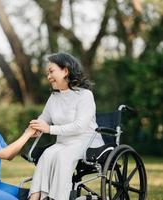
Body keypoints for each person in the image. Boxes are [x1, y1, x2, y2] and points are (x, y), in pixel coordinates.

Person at [28, 52, 105, 200]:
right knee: (47, 155)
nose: (48, 76)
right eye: (48, 73)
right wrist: (37, 127)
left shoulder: (85, 95)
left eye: (51, 71)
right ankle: (36, 197)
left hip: (86, 142)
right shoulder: (54, 96)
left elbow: (79, 127)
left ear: (65, 71)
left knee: (63, 156)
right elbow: (44, 118)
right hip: (63, 142)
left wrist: (49, 129)